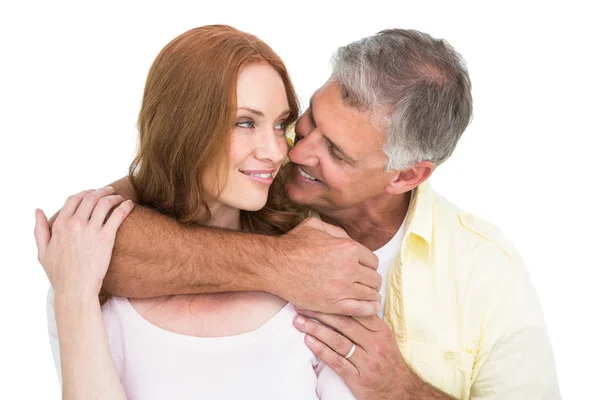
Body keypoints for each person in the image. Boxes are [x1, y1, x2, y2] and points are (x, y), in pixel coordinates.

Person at [47, 29, 561, 399]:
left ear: (406, 176)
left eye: (335, 152)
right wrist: (279, 264)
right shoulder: (259, 185)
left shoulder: (484, 272)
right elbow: (101, 231)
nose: (291, 151)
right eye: (306, 120)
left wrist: (399, 391)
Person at [38, 25, 357, 399]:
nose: (274, 150)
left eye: (279, 124)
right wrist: (74, 297)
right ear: (184, 127)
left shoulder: (316, 269)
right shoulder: (92, 289)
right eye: (244, 123)